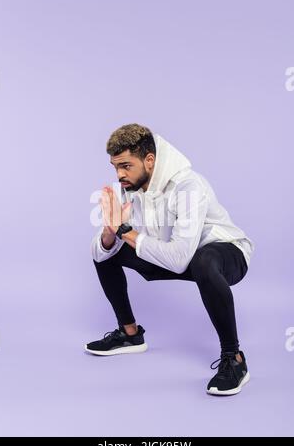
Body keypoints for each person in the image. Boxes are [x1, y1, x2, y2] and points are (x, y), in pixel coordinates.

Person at [86, 123, 254, 396]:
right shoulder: (130, 186)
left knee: (204, 260)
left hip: (225, 253)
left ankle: (234, 359)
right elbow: (103, 250)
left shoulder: (189, 186)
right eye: (115, 167)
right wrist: (109, 233)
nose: (119, 174)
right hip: (174, 252)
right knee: (104, 250)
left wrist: (125, 231)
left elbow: (179, 259)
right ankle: (130, 334)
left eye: (126, 166)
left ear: (149, 160)